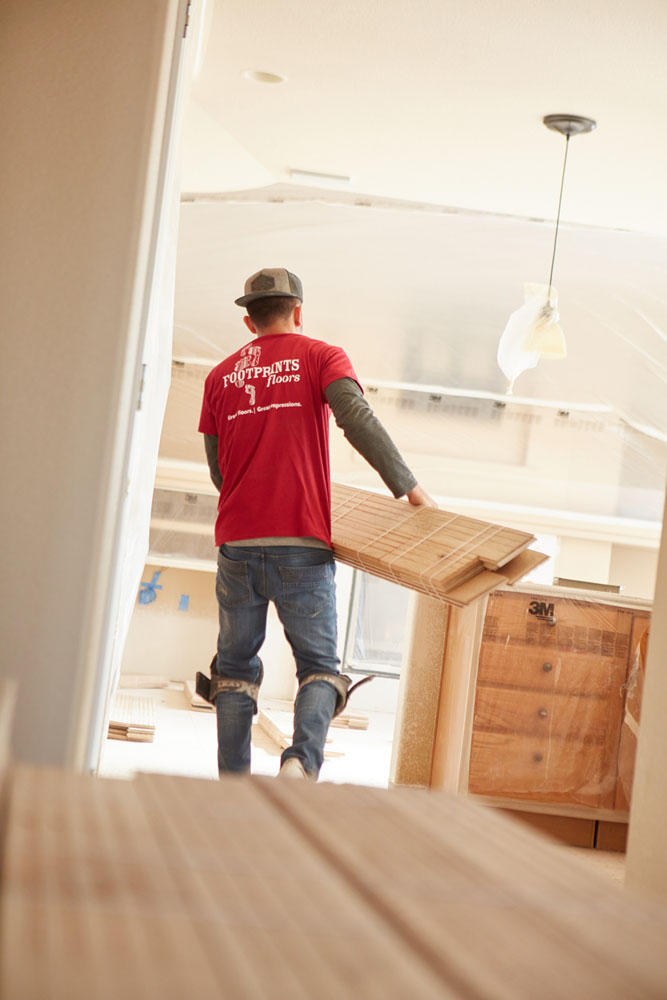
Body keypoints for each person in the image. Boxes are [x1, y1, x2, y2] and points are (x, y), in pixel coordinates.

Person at [198, 267, 436, 781]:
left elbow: (219, 470)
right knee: (320, 668)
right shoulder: (321, 356)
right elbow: (357, 419)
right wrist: (410, 488)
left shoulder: (219, 377)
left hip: (236, 544)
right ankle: (299, 764)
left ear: (248, 320)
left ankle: (232, 784)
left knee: (233, 671)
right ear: (298, 312)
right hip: (301, 544)